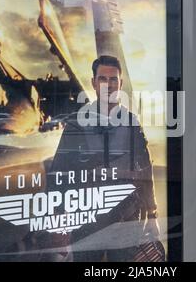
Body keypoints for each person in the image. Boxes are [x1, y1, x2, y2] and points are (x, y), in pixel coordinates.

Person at [47, 55, 161, 262]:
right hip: (87, 221)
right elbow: (59, 174)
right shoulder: (78, 123)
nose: (108, 85)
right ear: (93, 82)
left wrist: (152, 215)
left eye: (113, 79)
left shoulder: (131, 122)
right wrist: (59, 224)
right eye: (102, 79)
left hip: (126, 219)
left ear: (120, 83)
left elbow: (145, 169)